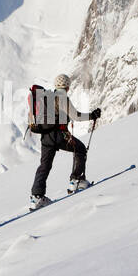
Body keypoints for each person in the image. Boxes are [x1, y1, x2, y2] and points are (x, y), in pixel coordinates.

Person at [30, 73, 101, 210]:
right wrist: (92, 115)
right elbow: (77, 116)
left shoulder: (46, 96)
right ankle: (76, 180)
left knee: (44, 166)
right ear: (67, 86)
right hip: (59, 136)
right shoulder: (62, 98)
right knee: (79, 149)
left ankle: (37, 197)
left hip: (45, 137)